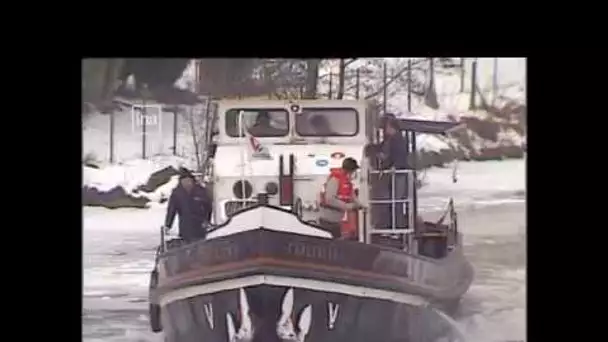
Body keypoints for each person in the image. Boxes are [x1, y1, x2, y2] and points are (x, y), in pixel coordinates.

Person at [318, 157, 365, 239]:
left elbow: (353, 197)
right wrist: (349, 206)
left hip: (336, 222)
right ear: (350, 170)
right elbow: (329, 199)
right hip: (327, 222)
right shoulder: (335, 179)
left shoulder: (347, 183)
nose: (355, 173)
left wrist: (362, 206)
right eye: (354, 171)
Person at [163, 169, 213, 242]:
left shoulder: (201, 191)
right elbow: (171, 210)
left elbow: (208, 207)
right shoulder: (177, 193)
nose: (187, 183)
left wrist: (207, 220)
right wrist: (168, 225)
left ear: (192, 180)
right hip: (185, 227)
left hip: (200, 227)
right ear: (181, 181)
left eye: (188, 180)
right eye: (184, 181)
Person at [377, 116, 410, 229]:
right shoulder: (390, 139)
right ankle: (391, 224)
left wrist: (395, 166)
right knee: (392, 200)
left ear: (391, 127)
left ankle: (397, 225)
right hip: (393, 174)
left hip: (398, 174)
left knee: (397, 200)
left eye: (386, 127)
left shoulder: (399, 139)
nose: (384, 130)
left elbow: (401, 155)